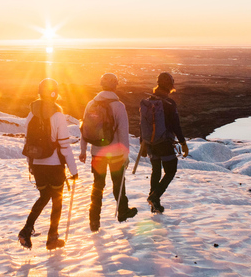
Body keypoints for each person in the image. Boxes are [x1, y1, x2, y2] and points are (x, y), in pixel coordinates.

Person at [18, 78, 78, 250]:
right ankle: (52, 237)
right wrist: (73, 170)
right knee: (57, 201)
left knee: (44, 196)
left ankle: (26, 230)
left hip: (37, 165)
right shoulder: (58, 115)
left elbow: (27, 141)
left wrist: (31, 164)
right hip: (54, 165)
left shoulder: (31, 114)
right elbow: (65, 146)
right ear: (55, 93)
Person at [79, 73, 138, 232]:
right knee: (118, 183)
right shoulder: (118, 106)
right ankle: (123, 211)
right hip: (115, 154)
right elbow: (123, 133)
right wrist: (125, 156)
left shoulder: (91, 103)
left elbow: (84, 129)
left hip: (97, 152)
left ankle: (94, 220)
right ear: (115, 85)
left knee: (98, 185)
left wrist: (83, 150)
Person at [140, 72, 188, 213]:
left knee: (156, 170)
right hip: (164, 143)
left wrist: (143, 142)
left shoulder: (149, 101)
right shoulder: (169, 103)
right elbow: (175, 125)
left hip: (150, 143)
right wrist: (183, 143)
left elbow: (142, 123)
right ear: (170, 85)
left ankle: (155, 205)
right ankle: (155, 197)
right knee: (171, 171)